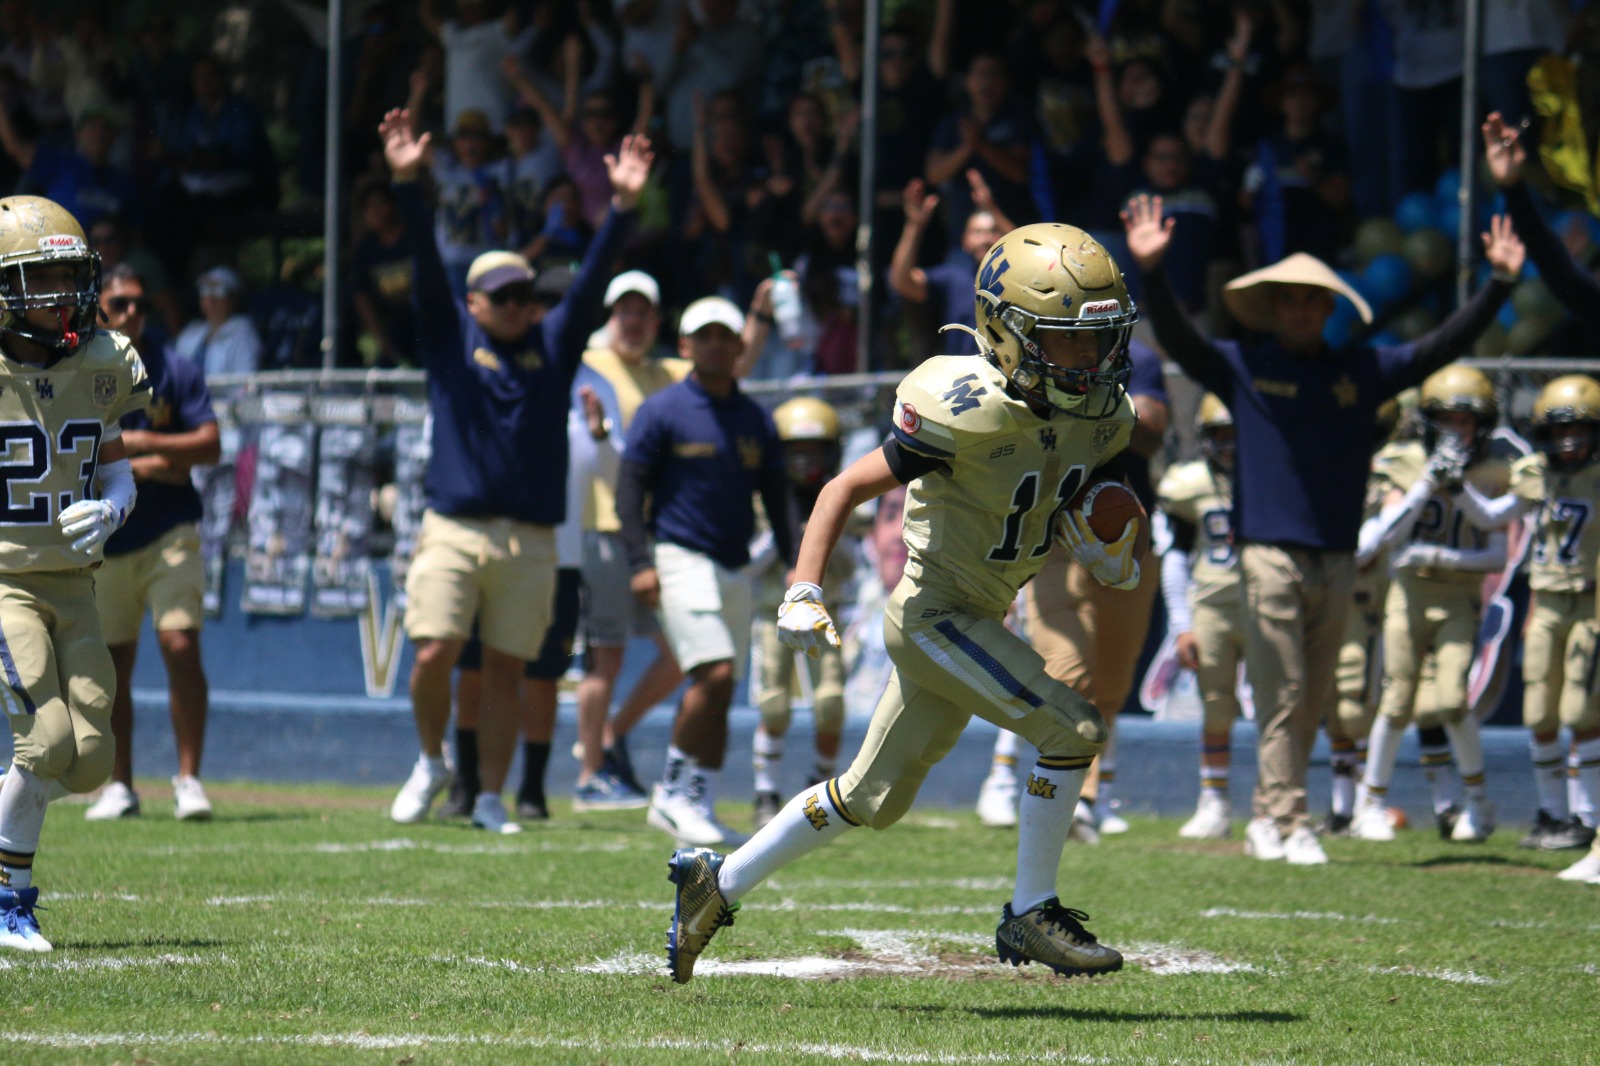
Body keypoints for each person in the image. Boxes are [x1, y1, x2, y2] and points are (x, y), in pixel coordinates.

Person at [665, 223, 1142, 985]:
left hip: (980, 614)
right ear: (1006, 332)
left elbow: (1088, 492)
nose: (1088, 363)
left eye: (1097, 342)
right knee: (1073, 727)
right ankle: (1030, 912)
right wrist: (804, 587)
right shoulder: (967, 408)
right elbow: (842, 486)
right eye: (1066, 343)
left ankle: (715, 884)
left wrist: (1110, 541)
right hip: (934, 615)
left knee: (870, 797)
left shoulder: (1100, 415)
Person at [1121, 193, 1523, 864]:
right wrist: (1155, 273)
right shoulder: (1244, 366)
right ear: (1275, 308)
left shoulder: (1360, 372)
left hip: (1338, 557)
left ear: (1330, 310)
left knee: (1309, 696)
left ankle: (1265, 818)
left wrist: (1500, 284)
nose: (1302, 310)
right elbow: (1183, 341)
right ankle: (1292, 820)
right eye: (1290, 300)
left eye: (1313, 300)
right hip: (1268, 553)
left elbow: (1440, 346)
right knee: (1284, 691)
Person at [378, 106, 652, 835]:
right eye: (502, 295)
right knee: (433, 653)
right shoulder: (448, 339)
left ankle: (492, 796)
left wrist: (622, 205)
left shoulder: (552, 349)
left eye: (526, 295)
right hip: (454, 527)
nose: (519, 305)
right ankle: (433, 760)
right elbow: (427, 270)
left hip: (531, 539)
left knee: (506, 671)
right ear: (473, 304)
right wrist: (410, 184)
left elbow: (590, 284)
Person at [0, 195, 151, 950]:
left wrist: (111, 513)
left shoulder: (103, 360)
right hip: (5, 582)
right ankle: (7, 898)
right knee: (46, 742)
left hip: (77, 581)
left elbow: (121, 473)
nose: (62, 293)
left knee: (91, 762)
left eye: (69, 275)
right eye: (41, 277)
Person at [618, 296, 796, 848]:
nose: (718, 344)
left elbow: (779, 496)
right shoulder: (663, 410)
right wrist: (639, 562)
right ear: (686, 346)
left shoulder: (754, 418)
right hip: (678, 557)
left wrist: (797, 565)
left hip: (735, 563)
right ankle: (671, 794)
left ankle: (703, 796)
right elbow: (629, 490)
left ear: (740, 346)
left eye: (727, 336)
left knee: (723, 688)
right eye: (706, 336)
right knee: (714, 673)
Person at [1445, 375, 1600, 867]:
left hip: (1590, 600)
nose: (1568, 441)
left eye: (1578, 429)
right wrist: (1457, 490)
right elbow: (1492, 516)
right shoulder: (1535, 473)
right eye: (1559, 431)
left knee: (1582, 710)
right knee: (1539, 712)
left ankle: (1590, 817)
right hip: (1547, 598)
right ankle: (1554, 814)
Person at [1351, 366, 1510, 843]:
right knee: (1396, 700)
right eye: (1449, 420)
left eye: (1468, 421)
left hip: (1458, 596)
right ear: (1428, 421)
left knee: (1452, 701)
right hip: (1408, 593)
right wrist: (1424, 485)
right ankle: (1369, 804)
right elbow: (1380, 540)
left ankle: (1478, 804)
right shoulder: (1403, 461)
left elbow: (1498, 555)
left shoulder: (1493, 469)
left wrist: (1440, 551)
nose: (1458, 431)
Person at [83, 265, 220, 822]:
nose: (131, 314)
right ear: (100, 311)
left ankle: (189, 779)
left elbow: (209, 444)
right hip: (110, 536)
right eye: (119, 305)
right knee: (112, 666)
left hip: (170, 531)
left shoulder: (175, 368)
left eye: (138, 303)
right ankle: (120, 786)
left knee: (181, 648)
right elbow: (81, 457)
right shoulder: (83, 371)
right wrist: (157, 462)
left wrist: (140, 442)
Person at [573, 270, 688, 811]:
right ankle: (589, 774)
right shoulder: (591, 365)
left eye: (644, 311)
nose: (635, 320)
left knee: (679, 653)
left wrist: (758, 318)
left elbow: (734, 364)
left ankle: (607, 738)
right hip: (605, 528)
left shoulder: (668, 372)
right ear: (610, 315)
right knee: (607, 657)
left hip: (653, 533)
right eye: (626, 310)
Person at [749, 397, 853, 829]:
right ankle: (765, 792)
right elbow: (750, 562)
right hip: (772, 610)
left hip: (827, 612)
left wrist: (823, 537)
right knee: (774, 703)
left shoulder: (842, 496)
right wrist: (788, 540)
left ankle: (818, 783)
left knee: (830, 700)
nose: (804, 460)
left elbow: (851, 562)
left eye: (813, 450)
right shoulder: (761, 500)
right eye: (795, 451)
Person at [1157, 394, 1245, 839]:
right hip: (1213, 604)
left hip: (1269, 603)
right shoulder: (1191, 483)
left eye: (1236, 434)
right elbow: (1174, 555)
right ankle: (1214, 800)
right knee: (1215, 705)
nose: (1229, 446)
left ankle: (1277, 803)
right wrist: (1181, 623)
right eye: (1220, 435)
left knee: (1279, 706)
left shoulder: (1272, 477)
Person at [173, 267, 261, 379]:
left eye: (218, 291)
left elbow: (245, 380)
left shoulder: (243, 331)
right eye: (205, 290)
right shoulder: (192, 330)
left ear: (232, 299)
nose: (210, 298)